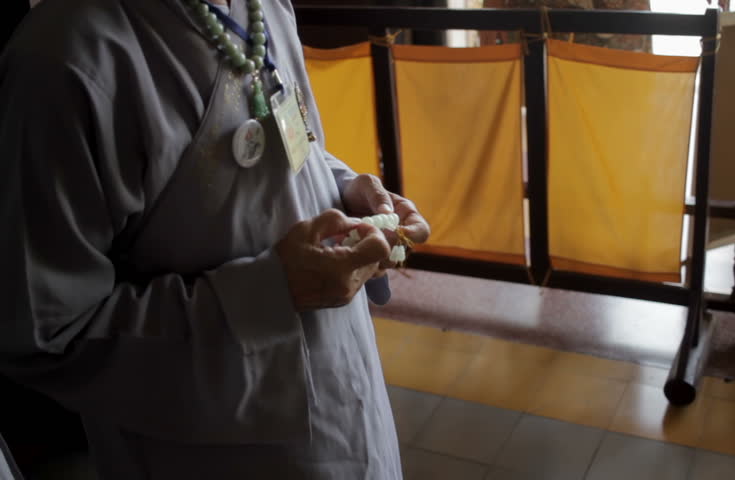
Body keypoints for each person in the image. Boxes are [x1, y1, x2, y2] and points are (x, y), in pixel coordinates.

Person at [0, 0, 429, 478]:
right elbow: (48, 335)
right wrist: (270, 294)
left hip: (349, 406)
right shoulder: (66, 58)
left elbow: (291, 149)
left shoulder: (263, 7)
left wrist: (346, 191)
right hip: (216, 453)